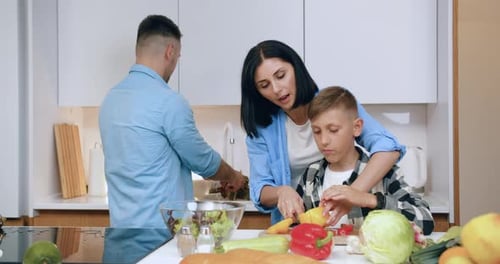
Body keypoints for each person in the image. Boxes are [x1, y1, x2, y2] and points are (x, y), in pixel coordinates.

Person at [99, 15, 245, 228]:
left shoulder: (109, 101)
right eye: (177, 56)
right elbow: (202, 161)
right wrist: (233, 176)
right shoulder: (169, 102)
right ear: (170, 52)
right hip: (161, 234)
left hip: (121, 232)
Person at [240, 40, 405, 225]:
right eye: (264, 85)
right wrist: (281, 191)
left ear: (296, 68)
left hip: (346, 220)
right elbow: (259, 188)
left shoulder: (335, 103)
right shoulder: (262, 127)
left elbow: (388, 148)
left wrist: (352, 194)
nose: (277, 89)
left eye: (281, 75)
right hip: (296, 224)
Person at [296, 86, 434, 234]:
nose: (323, 141)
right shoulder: (311, 174)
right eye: (316, 131)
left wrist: (370, 199)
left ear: (356, 127)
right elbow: (298, 226)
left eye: (333, 130)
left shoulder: (385, 174)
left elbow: (426, 221)